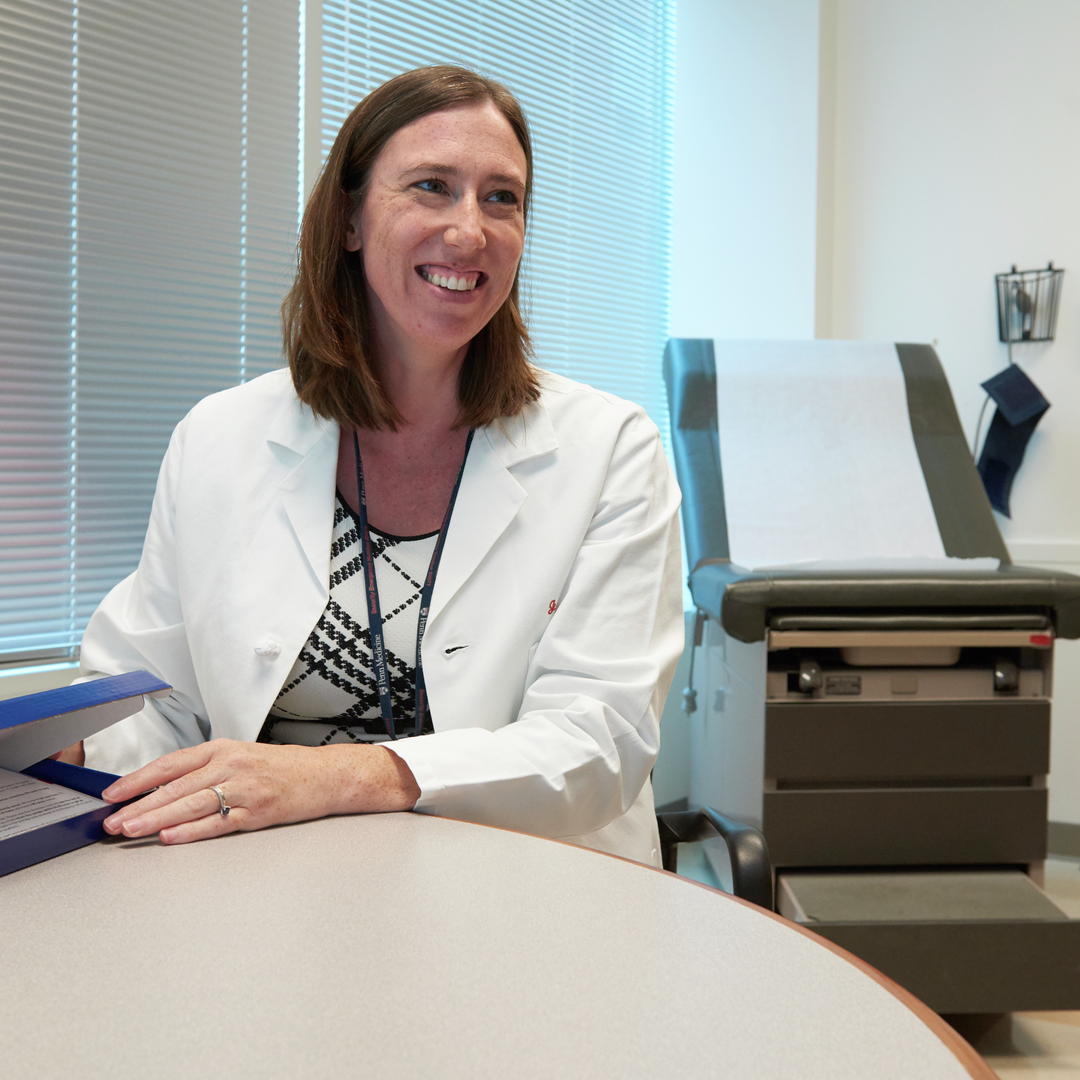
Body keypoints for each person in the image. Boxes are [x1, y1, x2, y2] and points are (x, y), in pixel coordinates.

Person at [73, 65, 683, 866]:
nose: (470, 230)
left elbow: (599, 740)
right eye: (432, 186)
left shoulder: (611, 450)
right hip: (265, 894)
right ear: (351, 219)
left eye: (502, 197)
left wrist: (338, 776)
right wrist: (82, 769)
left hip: (532, 889)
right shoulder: (220, 437)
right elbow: (150, 697)